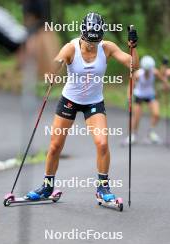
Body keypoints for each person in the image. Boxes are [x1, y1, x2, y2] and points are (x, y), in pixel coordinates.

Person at [26, 12, 139, 202]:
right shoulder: (71, 47)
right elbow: (57, 61)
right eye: (88, 41)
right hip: (69, 100)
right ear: (82, 34)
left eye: (95, 42)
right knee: (54, 146)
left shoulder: (107, 47)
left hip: (94, 102)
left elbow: (132, 65)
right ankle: (47, 187)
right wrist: (54, 70)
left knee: (102, 143)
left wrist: (133, 48)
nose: (91, 45)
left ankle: (102, 189)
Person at [124, 55, 169, 145]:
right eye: (146, 69)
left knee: (156, 114)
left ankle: (150, 133)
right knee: (137, 117)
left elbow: (163, 79)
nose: (148, 71)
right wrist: (129, 97)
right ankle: (133, 135)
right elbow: (131, 85)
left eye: (149, 69)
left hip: (150, 95)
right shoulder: (138, 74)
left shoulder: (155, 72)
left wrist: (166, 86)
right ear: (143, 68)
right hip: (139, 96)